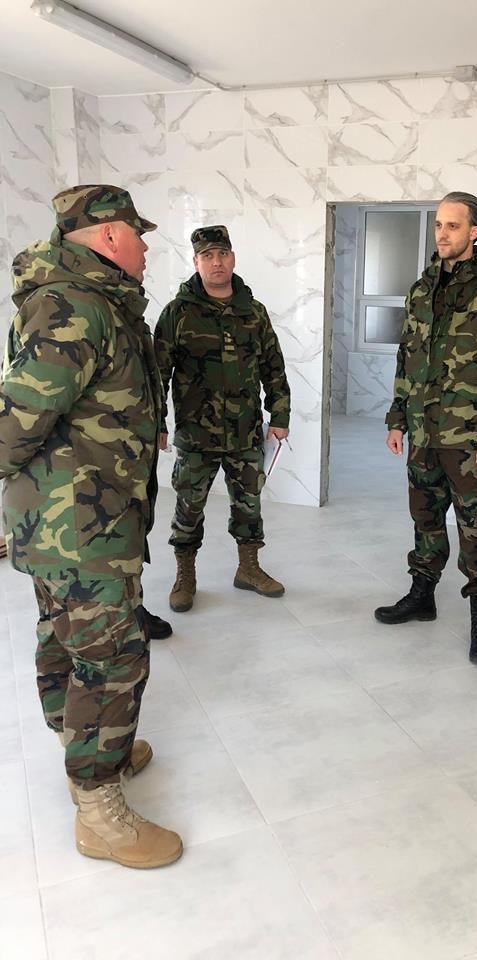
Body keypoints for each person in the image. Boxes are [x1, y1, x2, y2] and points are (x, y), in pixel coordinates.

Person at [0, 184, 182, 868]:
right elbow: (15, 419)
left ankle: (81, 746)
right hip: (78, 527)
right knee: (112, 661)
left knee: (65, 640)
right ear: (109, 235)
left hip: (73, 520)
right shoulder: (76, 306)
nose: (145, 246)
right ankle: (99, 808)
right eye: (139, 234)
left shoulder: (92, 300)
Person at [374, 191, 477, 665]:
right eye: (439, 225)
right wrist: (398, 417)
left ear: (474, 231)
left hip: (468, 438)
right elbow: (407, 357)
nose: (442, 233)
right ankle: (422, 596)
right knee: (424, 517)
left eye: (453, 226)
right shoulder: (422, 289)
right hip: (423, 432)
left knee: (475, 528)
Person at [154, 226, 291, 612]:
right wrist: (158, 424)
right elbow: (157, 374)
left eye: (223, 254)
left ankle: (248, 568)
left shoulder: (253, 311)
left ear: (233, 257)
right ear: (196, 262)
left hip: (245, 431)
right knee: (188, 506)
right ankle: (185, 575)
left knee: (249, 504)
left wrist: (279, 413)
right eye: (208, 256)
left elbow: (273, 366)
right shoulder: (178, 313)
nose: (217, 262)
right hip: (196, 434)